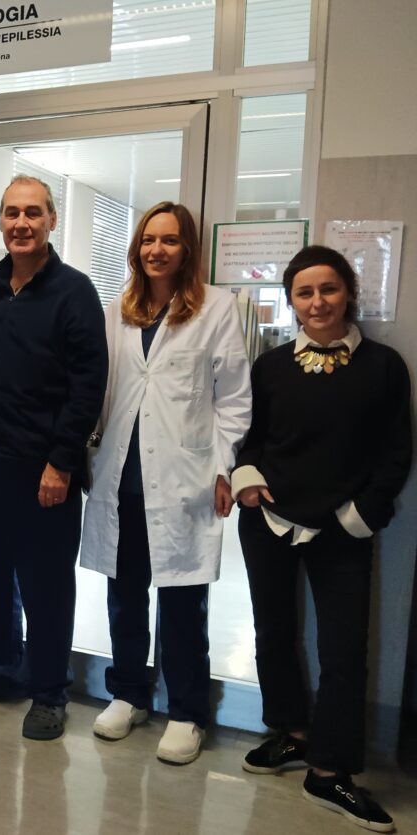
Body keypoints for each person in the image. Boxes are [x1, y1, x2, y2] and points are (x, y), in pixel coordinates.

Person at [232, 245, 411, 831]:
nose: (317, 302)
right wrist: (247, 479)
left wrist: (361, 514)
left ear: (349, 293)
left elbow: (396, 452)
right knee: (273, 632)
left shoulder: (384, 366)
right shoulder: (271, 366)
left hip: (342, 526)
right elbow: (252, 438)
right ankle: (294, 731)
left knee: (343, 651)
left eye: (328, 289)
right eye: (304, 292)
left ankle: (330, 771)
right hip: (271, 521)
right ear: (291, 301)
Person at [80, 202, 251, 764]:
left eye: (169, 240)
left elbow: (234, 399)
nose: (157, 250)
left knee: (181, 601)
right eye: (149, 240)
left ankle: (187, 711)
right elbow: (101, 389)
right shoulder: (119, 310)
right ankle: (129, 694)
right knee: (124, 594)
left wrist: (223, 467)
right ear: (137, 249)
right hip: (122, 476)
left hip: (184, 478)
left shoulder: (217, 308)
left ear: (187, 249)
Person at [0, 175, 108, 741]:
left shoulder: (74, 292)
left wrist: (61, 461)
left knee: (45, 586)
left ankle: (49, 692)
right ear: (0, 220)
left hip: (46, 473)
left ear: (51, 221)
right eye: (12, 212)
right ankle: (2, 671)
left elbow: (88, 386)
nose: (21, 223)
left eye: (33, 213)